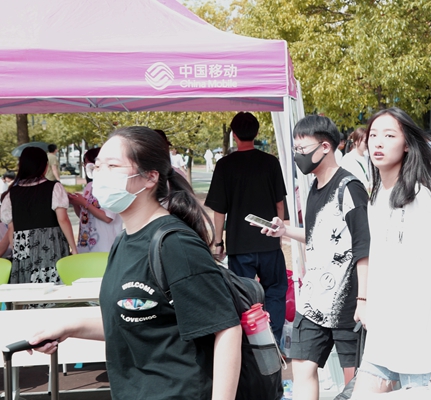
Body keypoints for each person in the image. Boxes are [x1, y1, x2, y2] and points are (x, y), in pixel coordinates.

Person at [31, 126, 241, 400]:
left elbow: (226, 328)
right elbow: (132, 318)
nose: (100, 175)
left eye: (112, 166)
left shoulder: (175, 244)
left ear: (150, 177)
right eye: (97, 166)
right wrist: (69, 326)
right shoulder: (123, 241)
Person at [350, 108, 431, 395]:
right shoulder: (377, 196)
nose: (378, 143)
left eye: (389, 136)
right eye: (373, 135)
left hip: (419, 336)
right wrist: (365, 302)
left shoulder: (417, 196)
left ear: (407, 144)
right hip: (383, 334)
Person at [260, 114, 370, 400]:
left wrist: (363, 299)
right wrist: (284, 231)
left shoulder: (350, 187)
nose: (298, 155)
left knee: (354, 382)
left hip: (348, 304)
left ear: (325, 147)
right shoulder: (313, 187)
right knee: (302, 369)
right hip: (313, 301)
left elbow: (363, 246)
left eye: (302, 149)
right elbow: (318, 234)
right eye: (295, 149)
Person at [205, 111, 288, 343]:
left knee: (243, 296)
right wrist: (278, 235)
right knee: (275, 291)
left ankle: (249, 346)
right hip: (268, 241)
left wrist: (219, 242)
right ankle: (274, 341)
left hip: (239, 244)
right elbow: (279, 204)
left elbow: (219, 210)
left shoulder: (224, 165)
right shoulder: (270, 162)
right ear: (257, 132)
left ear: (234, 134)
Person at [0, 147, 77, 286]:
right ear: (45, 166)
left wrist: (16, 252)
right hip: (50, 242)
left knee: (28, 287)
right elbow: (63, 220)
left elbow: (11, 228)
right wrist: (74, 248)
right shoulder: (54, 187)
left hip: (22, 245)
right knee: (52, 286)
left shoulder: (12, 193)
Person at [69, 148, 123, 253]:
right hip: (85, 245)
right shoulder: (89, 186)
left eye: (88, 164)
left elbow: (107, 218)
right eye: (84, 164)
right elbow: (83, 216)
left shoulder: (112, 186)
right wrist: (75, 203)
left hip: (105, 246)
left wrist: (84, 203)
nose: (85, 167)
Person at [340, 127, 371, 192]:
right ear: (356, 141)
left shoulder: (368, 157)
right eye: (364, 141)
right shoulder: (348, 159)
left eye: (368, 141)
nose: (367, 143)